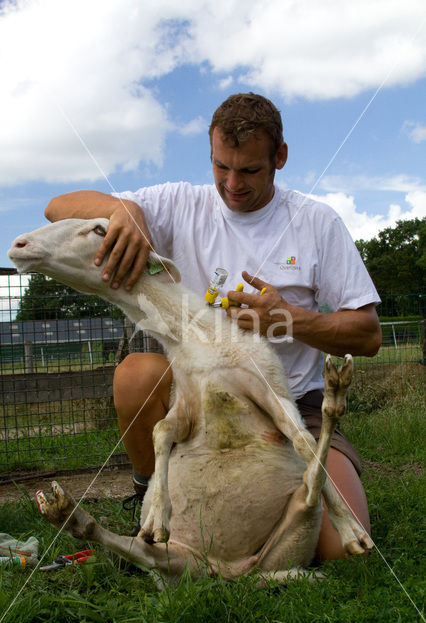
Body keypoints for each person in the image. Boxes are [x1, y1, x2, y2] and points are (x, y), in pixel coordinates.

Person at [45, 92, 382, 560]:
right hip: (195, 399)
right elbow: (57, 207)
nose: (231, 184)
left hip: (290, 405)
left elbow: (368, 335)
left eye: (249, 170)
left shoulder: (316, 222)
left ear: (279, 157)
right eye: (220, 167)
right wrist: (125, 210)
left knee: (340, 550)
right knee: (136, 374)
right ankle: (149, 493)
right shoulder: (178, 204)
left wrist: (289, 319)